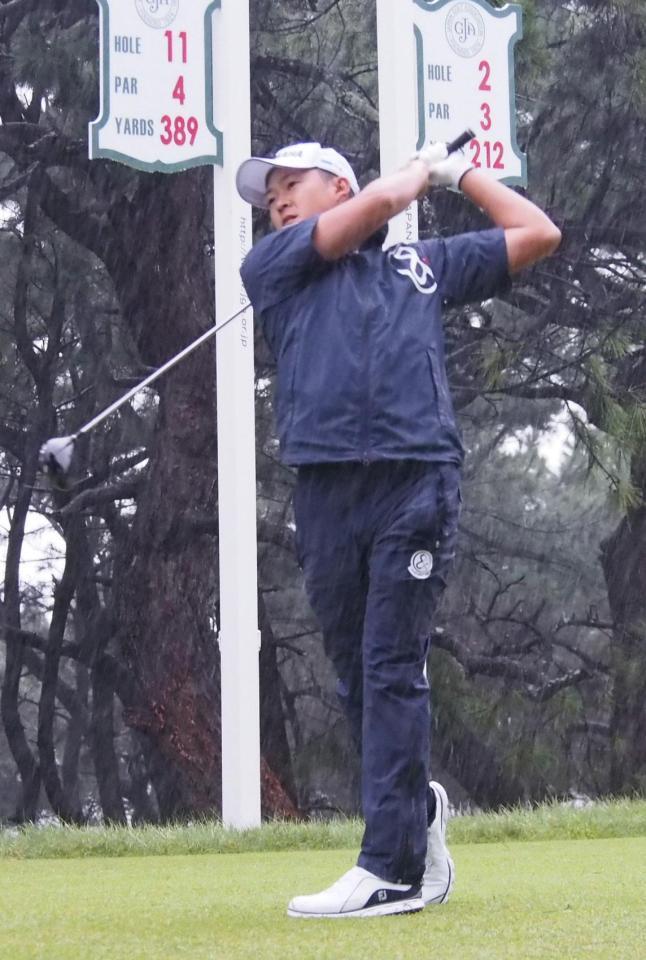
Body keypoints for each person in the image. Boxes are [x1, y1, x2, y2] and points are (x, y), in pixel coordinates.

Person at [236, 140, 561, 918]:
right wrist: (404, 184)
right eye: (268, 193)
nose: (275, 200)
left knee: (389, 668)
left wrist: (461, 174)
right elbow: (375, 209)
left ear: (337, 182)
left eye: (291, 184)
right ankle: (412, 819)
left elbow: (538, 233)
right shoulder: (274, 265)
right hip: (324, 492)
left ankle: (390, 865)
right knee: (356, 678)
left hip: (415, 482)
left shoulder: (421, 267)